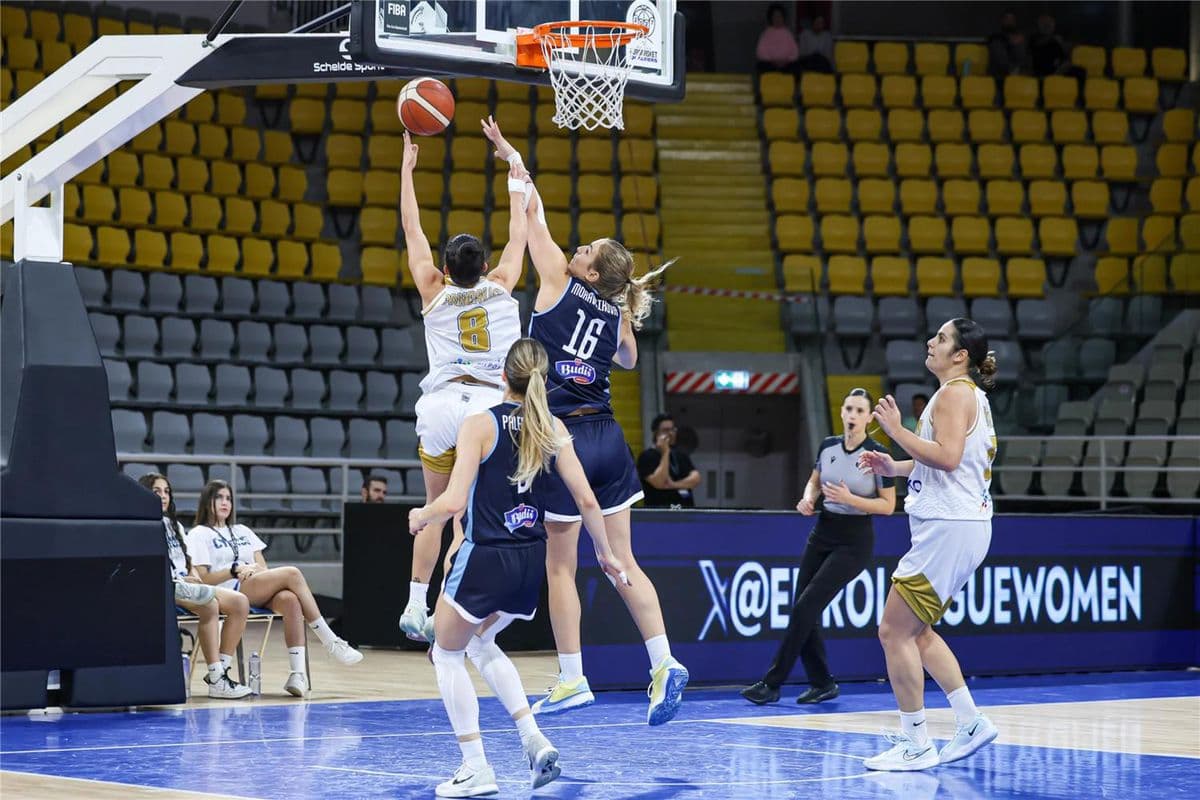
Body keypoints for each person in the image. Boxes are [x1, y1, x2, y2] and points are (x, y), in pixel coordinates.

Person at [480, 119, 689, 726]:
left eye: (588, 251)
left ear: (590, 273)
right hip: (610, 438)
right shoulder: (614, 310)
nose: (578, 249)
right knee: (623, 561)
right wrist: (623, 311)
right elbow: (628, 358)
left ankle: (572, 677)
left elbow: (534, 216)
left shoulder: (555, 280)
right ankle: (664, 661)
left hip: (563, 439)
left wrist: (513, 161)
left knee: (561, 565)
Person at [408, 338, 629, 798]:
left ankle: (475, 767)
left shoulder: (479, 424)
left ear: (502, 376)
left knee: (445, 654)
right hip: (531, 559)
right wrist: (606, 554)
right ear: (541, 381)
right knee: (480, 642)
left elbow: (450, 500)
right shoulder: (551, 427)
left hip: (486, 555)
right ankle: (534, 740)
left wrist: (421, 516)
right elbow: (587, 500)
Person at [398, 121, 529, 643]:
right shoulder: (502, 287)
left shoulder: (432, 288)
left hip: (441, 404)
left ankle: (414, 604)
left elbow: (412, 230)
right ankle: (452, 612)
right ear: (487, 266)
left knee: (434, 504)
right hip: (489, 410)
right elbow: (520, 230)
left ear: (447, 270)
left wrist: (407, 172)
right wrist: (511, 168)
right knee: (466, 514)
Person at [857, 319, 1000, 771]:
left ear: (960, 356)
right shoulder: (961, 394)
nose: (930, 343)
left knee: (893, 630)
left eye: (941, 339)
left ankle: (915, 742)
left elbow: (949, 456)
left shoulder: (956, 393)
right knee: (917, 633)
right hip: (959, 525)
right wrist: (895, 466)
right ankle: (970, 721)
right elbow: (946, 464)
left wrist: (897, 431)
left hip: (948, 528)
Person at [741, 388, 896, 706]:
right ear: (842, 412)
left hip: (854, 541)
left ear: (868, 417)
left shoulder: (877, 454)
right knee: (803, 608)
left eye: (859, 411)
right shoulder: (828, 446)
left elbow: (888, 505)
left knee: (804, 607)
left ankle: (772, 683)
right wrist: (808, 497)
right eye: (848, 409)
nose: (852, 415)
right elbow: (815, 479)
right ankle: (822, 682)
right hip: (823, 531)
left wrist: (850, 499)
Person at [188, 480, 363, 698]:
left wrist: (253, 571)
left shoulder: (242, 530)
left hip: (254, 583)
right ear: (207, 501)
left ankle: (297, 674)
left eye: (229, 498)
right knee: (292, 573)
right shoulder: (199, 533)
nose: (225, 502)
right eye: (219, 497)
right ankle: (330, 640)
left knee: (290, 599)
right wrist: (234, 570)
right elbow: (204, 579)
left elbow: (263, 566)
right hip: (228, 589)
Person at [140, 473, 252, 700]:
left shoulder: (175, 525)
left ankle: (219, 673)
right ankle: (217, 678)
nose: (163, 496)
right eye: (156, 492)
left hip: (184, 585)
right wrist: (182, 580)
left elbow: (187, 562)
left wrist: (193, 576)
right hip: (163, 586)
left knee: (235, 603)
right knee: (215, 603)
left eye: (166, 492)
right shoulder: (141, 525)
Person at [637, 413, 701, 509]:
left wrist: (673, 484)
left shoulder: (680, 455)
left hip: (685, 510)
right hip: (658, 512)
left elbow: (696, 479)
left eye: (673, 429)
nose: (671, 433)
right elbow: (659, 482)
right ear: (656, 433)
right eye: (666, 430)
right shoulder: (646, 456)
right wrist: (665, 452)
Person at [755, 3, 799, 74]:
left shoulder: (788, 34)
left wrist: (785, 61)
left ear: (783, 18)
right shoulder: (766, 33)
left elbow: (795, 52)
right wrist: (773, 61)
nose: (778, 19)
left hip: (786, 64)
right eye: (775, 16)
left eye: (780, 16)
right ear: (771, 18)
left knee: (796, 67)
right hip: (770, 64)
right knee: (761, 66)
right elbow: (760, 52)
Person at [987, 10, 1027, 77]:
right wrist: (1010, 41)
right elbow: (999, 59)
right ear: (1002, 21)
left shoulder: (1020, 38)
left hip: (1018, 75)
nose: (1009, 21)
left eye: (1012, 19)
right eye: (1007, 18)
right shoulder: (995, 37)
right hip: (999, 76)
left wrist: (1016, 44)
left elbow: (1023, 58)